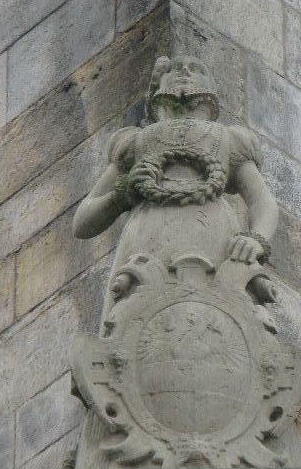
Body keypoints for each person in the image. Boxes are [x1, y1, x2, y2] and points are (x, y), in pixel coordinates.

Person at [73, 55, 279, 334]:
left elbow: (261, 200)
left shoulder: (228, 138)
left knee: (218, 321)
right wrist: (122, 194)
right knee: (135, 323)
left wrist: (257, 239)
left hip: (212, 233)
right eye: (174, 69)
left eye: (196, 68)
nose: (184, 71)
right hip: (148, 236)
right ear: (157, 87)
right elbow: (82, 222)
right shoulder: (135, 142)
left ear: (211, 89)